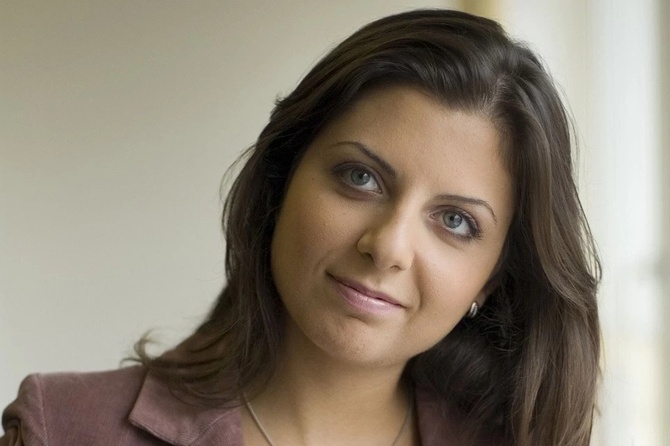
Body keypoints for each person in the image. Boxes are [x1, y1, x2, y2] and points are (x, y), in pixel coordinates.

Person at [1, 9, 601, 446]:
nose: (388, 246)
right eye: (361, 178)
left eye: (455, 221)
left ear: (493, 278)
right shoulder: (63, 427)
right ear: (281, 178)